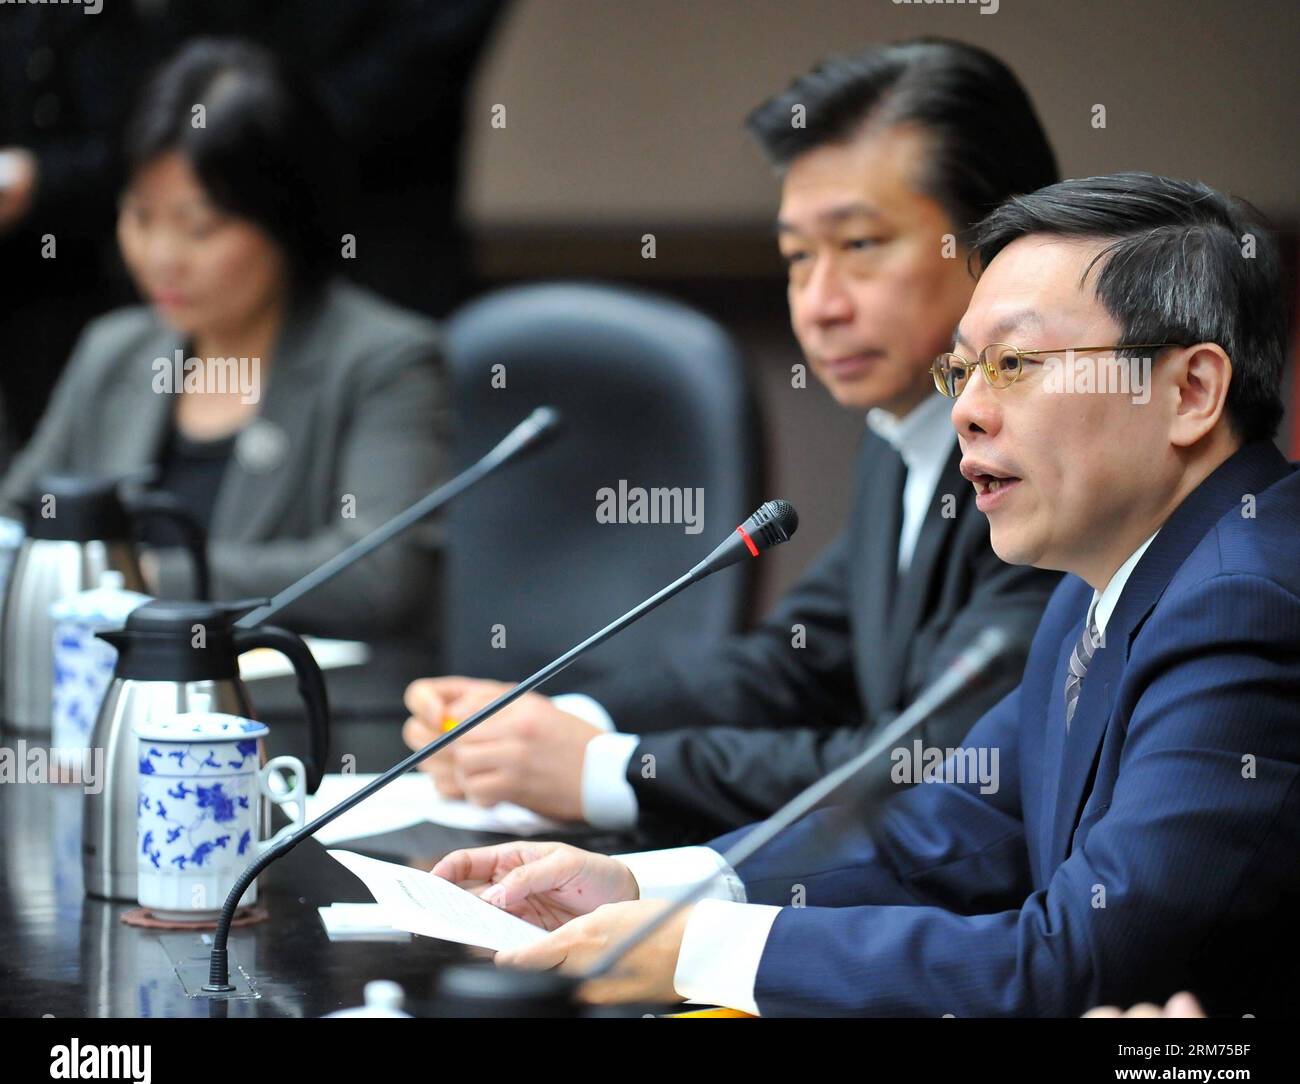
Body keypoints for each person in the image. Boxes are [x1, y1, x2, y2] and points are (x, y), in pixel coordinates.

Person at [431, 173, 1300, 1017]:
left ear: (1190, 391)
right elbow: (949, 827)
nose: (968, 411)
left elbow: (1080, 961)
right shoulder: (1109, 576)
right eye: (963, 372)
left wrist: (700, 950)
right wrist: (646, 888)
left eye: (1015, 363)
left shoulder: (1246, 604)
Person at [401, 39, 1062, 835]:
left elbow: (930, 766)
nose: (819, 304)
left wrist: (608, 771)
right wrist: (547, 718)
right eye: (795, 257)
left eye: (859, 246)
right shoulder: (906, 433)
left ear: (998, 247)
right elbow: (799, 662)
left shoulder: (1047, 465)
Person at [0, 39, 449, 648]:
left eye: (199, 228)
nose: (161, 257)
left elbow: (381, 574)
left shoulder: (385, 359)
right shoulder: (117, 349)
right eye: (139, 216)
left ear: (287, 218)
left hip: (301, 722)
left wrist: (139, 579)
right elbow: (19, 521)